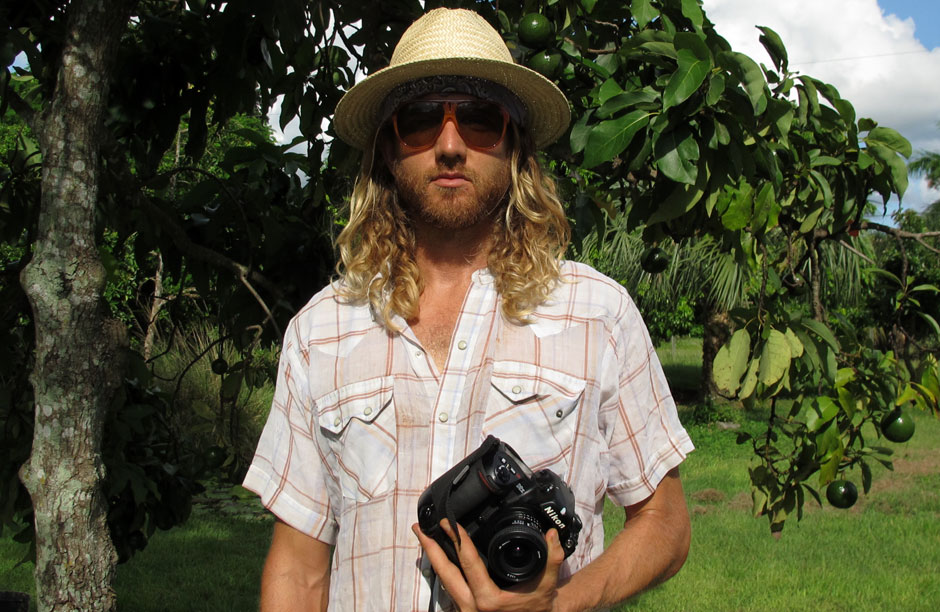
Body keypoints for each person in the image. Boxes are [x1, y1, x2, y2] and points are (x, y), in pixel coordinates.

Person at [243, 7, 694, 612]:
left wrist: (560, 606)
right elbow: (298, 573)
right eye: (422, 120)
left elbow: (665, 522)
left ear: (515, 146)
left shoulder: (599, 314)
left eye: (480, 120)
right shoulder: (319, 332)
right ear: (387, 148)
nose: (451, 145)